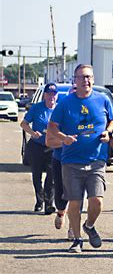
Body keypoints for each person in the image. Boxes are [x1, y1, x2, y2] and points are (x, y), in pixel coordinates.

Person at [47, 64, 113, 253]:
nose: (86, 81)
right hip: (71, 161)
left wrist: (108, 132)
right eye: (82, 77)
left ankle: (90, 225)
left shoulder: (102, 99)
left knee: (97, 200)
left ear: (93, 79)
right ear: (75, 81)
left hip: (96, 159)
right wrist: (64, 138)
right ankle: (77, 240)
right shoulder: (65, 103)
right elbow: (52, 127)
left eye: (89, 77)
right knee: (75, 202)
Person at [20, 82, 58, 214]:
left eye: (54, 94)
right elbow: (24, 124)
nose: (51, 97)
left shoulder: (59, 109)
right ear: (45, 95)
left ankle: (49, 203)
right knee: (37, 175)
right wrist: (32, 133)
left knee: (51, 175)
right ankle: (39, 200)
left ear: (56, 96)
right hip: (37, 146)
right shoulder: (37, 108)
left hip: (52, 147)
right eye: (49, 94)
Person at [46, 85, 77, 239]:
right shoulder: (59, 115)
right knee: (60, 193)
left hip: (80, 161)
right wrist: (66, 141)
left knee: (76, 196)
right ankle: (60, 212)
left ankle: (73, 228)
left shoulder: (86, 116)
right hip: (60, 159)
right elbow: (49, 141)